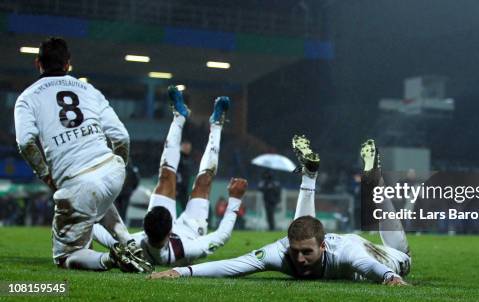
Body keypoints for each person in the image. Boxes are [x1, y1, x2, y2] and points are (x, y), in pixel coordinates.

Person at [149, 136, 411, 286]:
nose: (299, 259)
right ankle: (310, 176)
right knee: (300, 231)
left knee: (403, 255)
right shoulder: (282, 251)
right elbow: (233, 266)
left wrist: (390, 277)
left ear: (323, 248)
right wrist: (180, 271)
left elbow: (369, 265)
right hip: (315, 236)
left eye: (307, 252)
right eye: (295, 252)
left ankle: (370, 180)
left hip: (379, 256)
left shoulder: (347, 252)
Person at [13, 37, 150, 272]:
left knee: (66, 256)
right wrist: (120, 167)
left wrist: (46, 174)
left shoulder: (27, 98)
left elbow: (26, 142)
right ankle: (127, 241)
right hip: (112, 170)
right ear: (68, 64)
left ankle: (111, 259)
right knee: (97, 193)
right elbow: (122, 137)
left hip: (77, 182)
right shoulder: (88, 90)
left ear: (38, 63)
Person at [93, 86, 247, 266]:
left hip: (159, 227)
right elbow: (222, 236)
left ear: (144, 228)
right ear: (169, 233)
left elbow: (99, 231)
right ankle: (217, 125)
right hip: (191, 230)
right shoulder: (188, 249)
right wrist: (235, 199)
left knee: (166, 176)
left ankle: (179, 116)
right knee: (203, 182)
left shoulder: (132, 244)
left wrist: (74, 202)